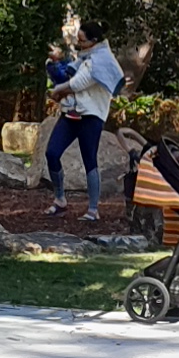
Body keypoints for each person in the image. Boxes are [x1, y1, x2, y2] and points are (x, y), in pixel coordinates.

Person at [44, 22, 124, 217]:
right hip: (71, 114)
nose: (79, 44)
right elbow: (66, 76)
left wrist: (57, 92)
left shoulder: (102, 60)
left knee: (90, 160)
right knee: (52, 153)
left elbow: (79, 83)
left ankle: (93, 209)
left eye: (82, 40)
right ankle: (60, 199)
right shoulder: (84, 58)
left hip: (91, 116)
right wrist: (53, 65)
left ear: (94, 41)